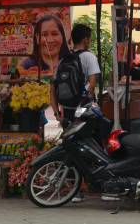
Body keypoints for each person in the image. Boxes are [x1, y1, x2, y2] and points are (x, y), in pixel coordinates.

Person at [50, 23, 100, 203]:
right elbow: (92, 83)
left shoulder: (64, 60)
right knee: (94, 146)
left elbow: (53, 88)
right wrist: (85, 105)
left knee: (71, 149)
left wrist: (57, 113)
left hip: (67, 112)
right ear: (86, 39)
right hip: (83, 112)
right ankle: (99, 185)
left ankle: (74, 191)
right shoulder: (89, 57)